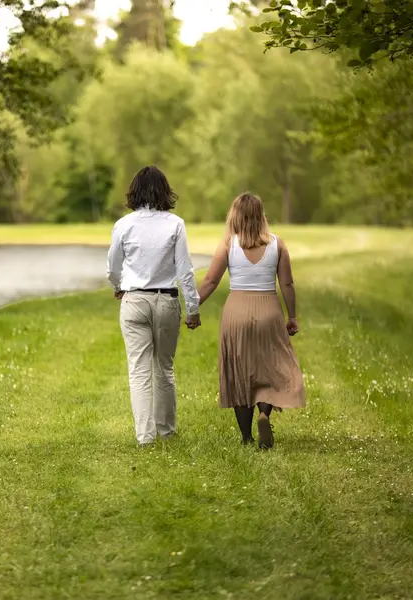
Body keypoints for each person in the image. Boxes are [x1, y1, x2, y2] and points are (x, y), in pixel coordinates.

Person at [196, 192, 305, 449]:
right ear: (261, 216)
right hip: (268, 309)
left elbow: (210, 281)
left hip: (237, 311)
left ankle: (246, 437)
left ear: (235, 216)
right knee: (269, 367)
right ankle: (264, 414)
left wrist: (191, 307)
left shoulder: (228, 245)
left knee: (239, 371)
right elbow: (287, 283)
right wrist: (292, 316)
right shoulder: (278, 244)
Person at [107, 165, 201, 447]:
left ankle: (145, 437)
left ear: (134, 192)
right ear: (164, 191)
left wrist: (117, 287)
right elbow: (185, 270)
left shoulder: (123, 225)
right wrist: (193, 307)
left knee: (138, 371)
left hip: (134, 300)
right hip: (166, 300)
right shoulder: (175, 224)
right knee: (165, 368)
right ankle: (167, 432)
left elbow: (112, 267)